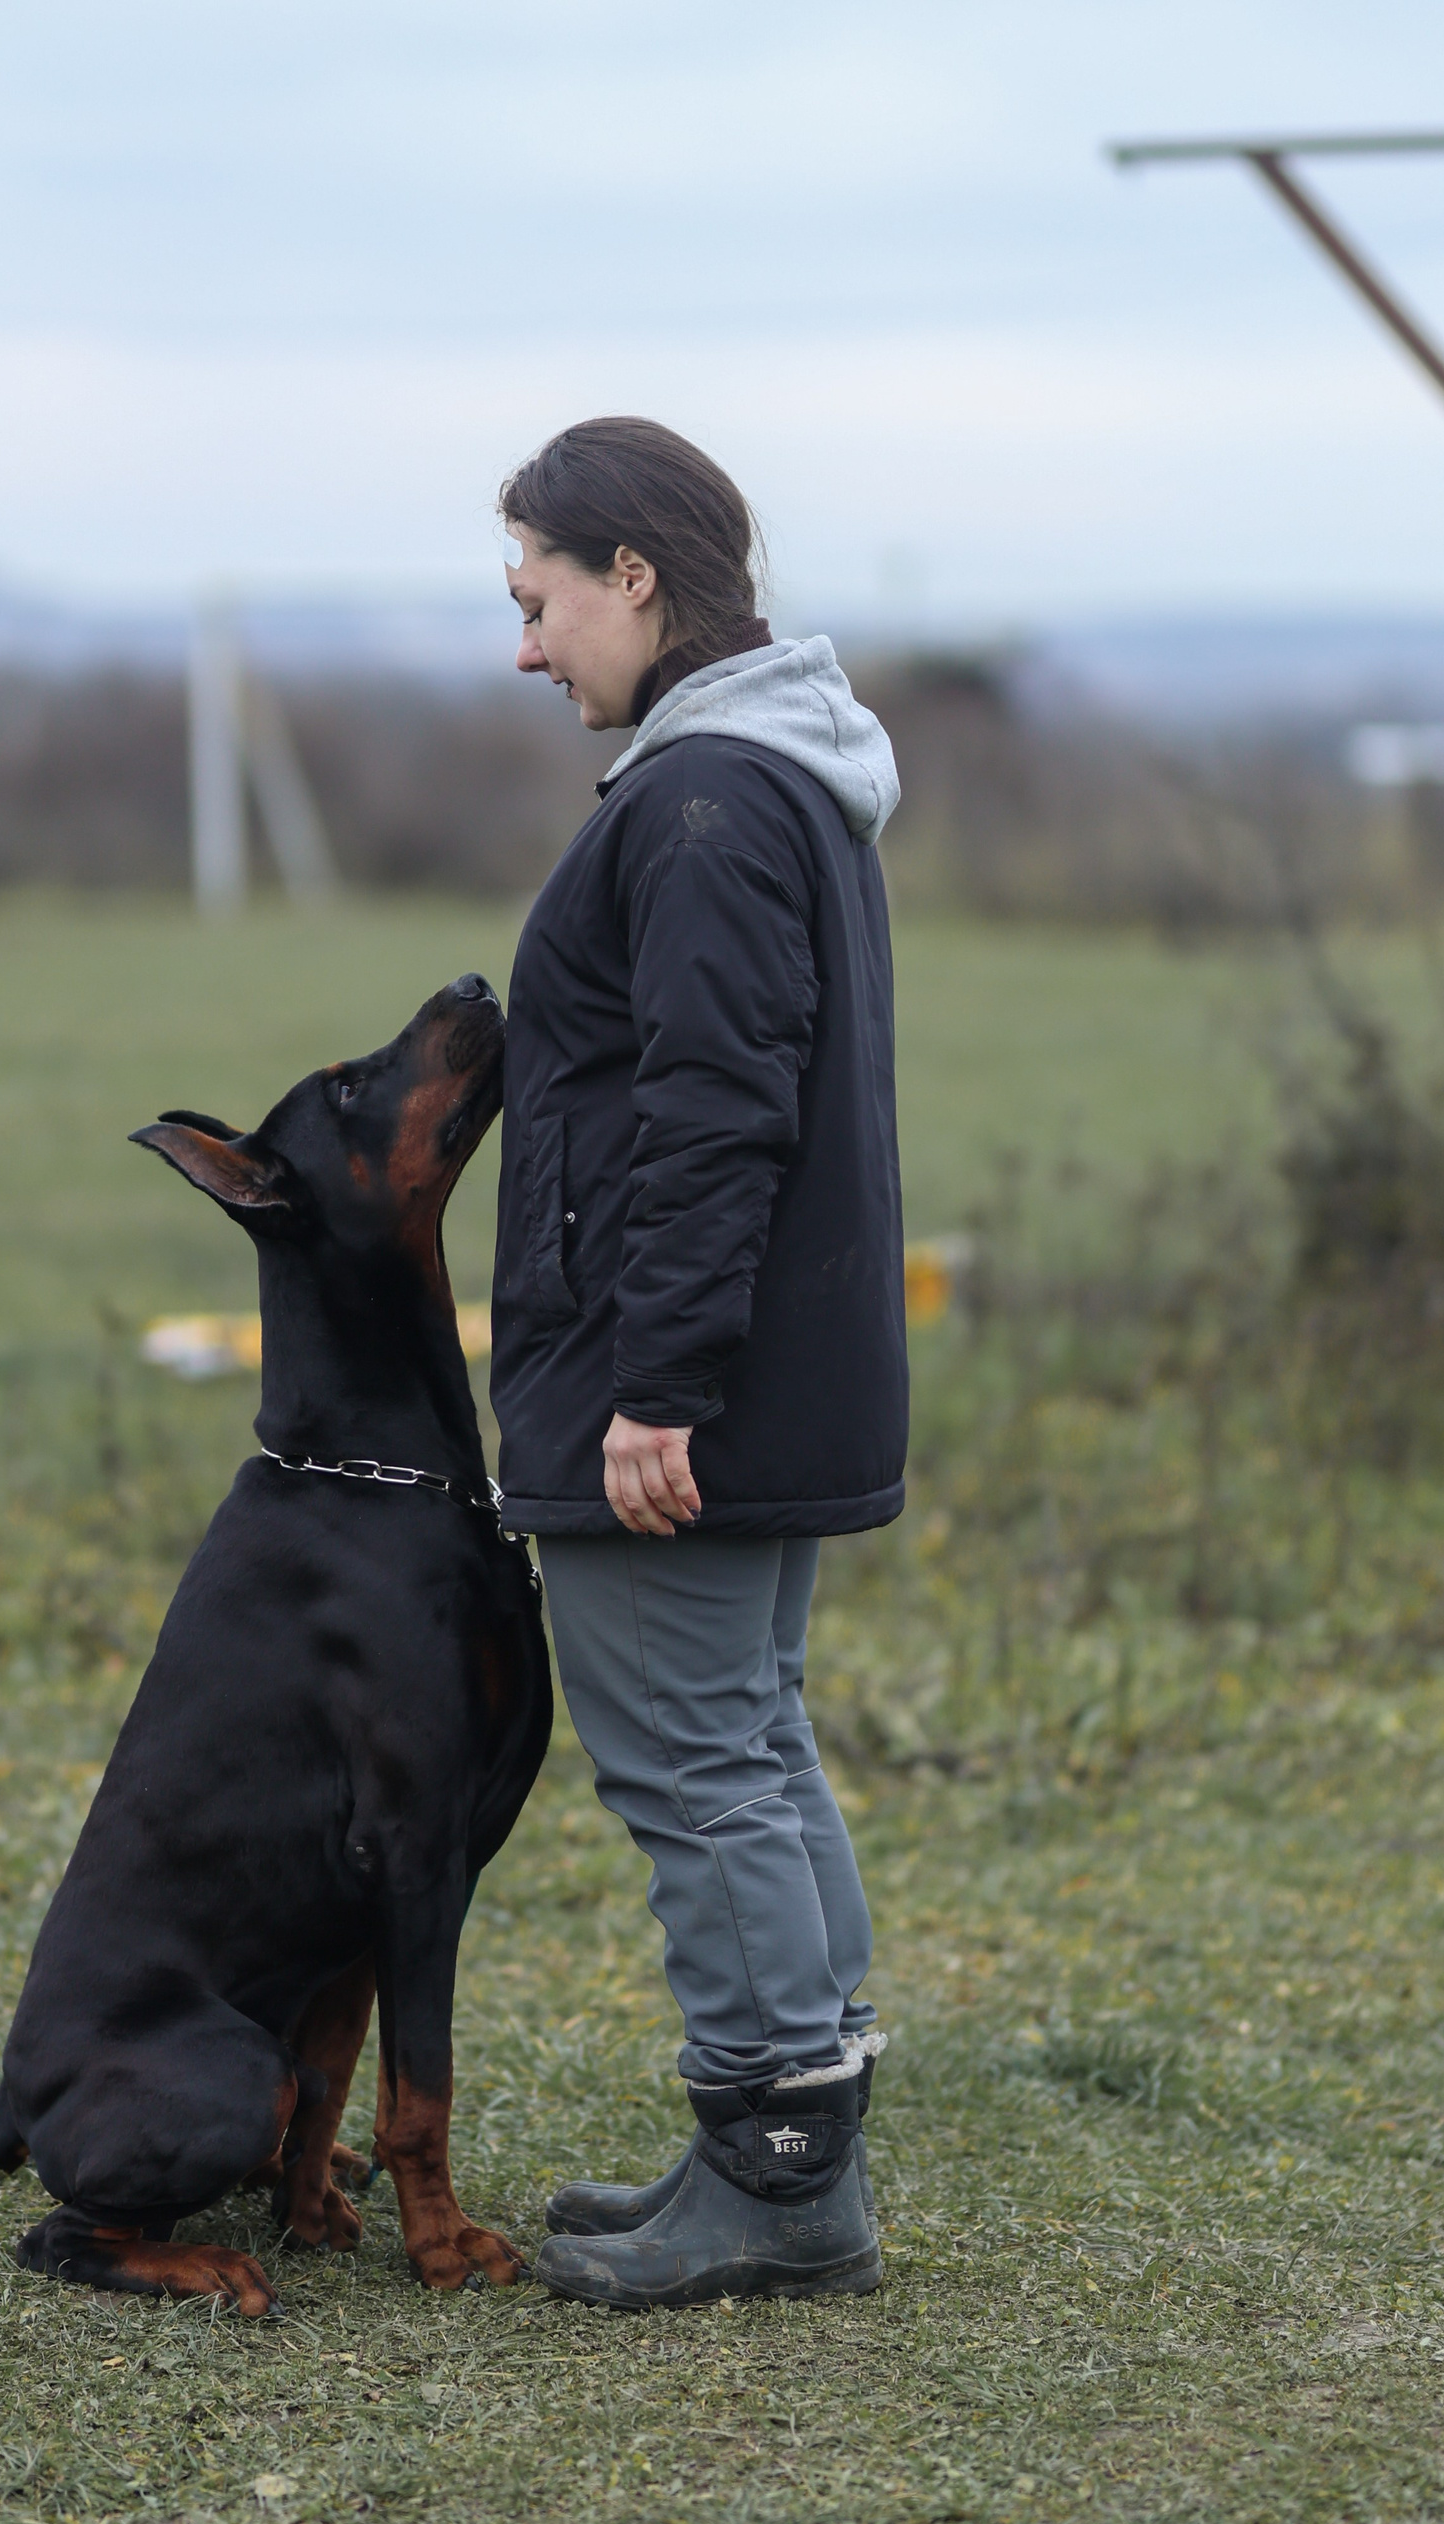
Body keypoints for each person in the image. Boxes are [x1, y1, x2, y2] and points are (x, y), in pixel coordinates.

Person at [489, 417, 907, 2308]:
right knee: (749, 1737)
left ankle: (783, 2180)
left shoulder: (708, 803)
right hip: (762, 1366)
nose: (525, 648)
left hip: (682, 1384)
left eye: (539, 599)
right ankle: (777, 2139)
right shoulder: (764, 779)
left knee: (697, 1760)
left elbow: (714, 1116)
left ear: (635, 577)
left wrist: (652, 1388)